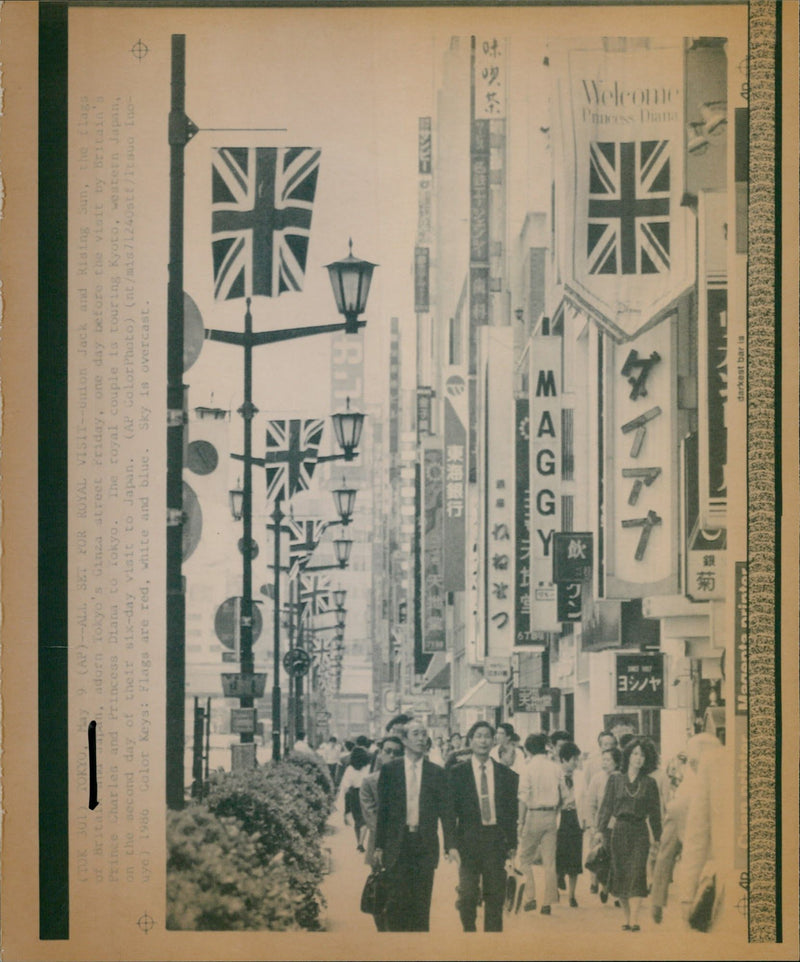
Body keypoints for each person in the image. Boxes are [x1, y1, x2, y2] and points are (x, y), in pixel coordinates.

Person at [374, 717, 456, 931]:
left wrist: (451, 845)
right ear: (404, 740)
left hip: (424, 845)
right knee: (396, 904)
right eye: (416, 734)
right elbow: (383, 811)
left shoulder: (436, 773)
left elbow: (446, 812)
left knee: (421, 905)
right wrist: (379, 846)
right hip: (397, 845)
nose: (421, 738)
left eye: (424, 734)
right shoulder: (390, 771)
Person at [447, 721, 519, 932]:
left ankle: (491, 945)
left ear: (493, 741)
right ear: (470, 741)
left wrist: (513, 843)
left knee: (495, 896)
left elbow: (511, 813)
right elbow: (450, 813)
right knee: (468, 895)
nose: (483, 740)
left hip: (495, 841)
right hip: (468, 841)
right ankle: (469, 932)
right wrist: (451, 844)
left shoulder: (506, 775)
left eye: (487, 736)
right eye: (478, 736)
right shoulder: (457, 773)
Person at [596, 736, 662, 932]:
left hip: (639, 833)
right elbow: (606, 808)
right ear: (628, 756)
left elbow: (655, 813)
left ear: (647, 759)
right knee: (621, 875)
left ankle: (634, 920)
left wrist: (658, 838)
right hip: (619, 832)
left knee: (636, 874)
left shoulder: (649, 783)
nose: (638, 758)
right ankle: (627, 918)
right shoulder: (615, 779)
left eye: (642, 755)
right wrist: (599, 831)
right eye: (634, 754)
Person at [517, 732, 561, 916]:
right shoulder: (555, 767)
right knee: (549, 862)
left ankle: (530, 896)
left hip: (533, 815)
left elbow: (523, 797)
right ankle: (547, 902)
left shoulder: (527, 768)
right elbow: (563, 795)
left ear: (527, 749)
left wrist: (520, 821)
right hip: (552, 816)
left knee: (524, 859)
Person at [586, 745, 622, 900]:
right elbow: (591, 803)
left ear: (616, 762)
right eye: (604, 759)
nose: (605, 763)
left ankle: (613, 890)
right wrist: (592, 825)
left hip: (619, 825)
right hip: (602, 825)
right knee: (603, 858)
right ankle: (604, 886)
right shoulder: (597, 778)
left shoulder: (622, 777)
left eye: (608, 760)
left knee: (618, 859)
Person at [556, 741, 586, 908]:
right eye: (573, 759)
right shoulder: (555, 775)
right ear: (564, 759)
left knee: (575, 857)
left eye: (577, 759)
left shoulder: (580, 776)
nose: (576, 763)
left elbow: (585, 798)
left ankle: (572, 896)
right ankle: (557, 882)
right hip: (560, 818)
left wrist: (586, 821)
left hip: (575, 818)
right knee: (559, 855)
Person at [338, 745, 371, 851]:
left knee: (357, 820)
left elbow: (345, 786)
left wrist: (342, 800)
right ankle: (361, 842)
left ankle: (359, 842)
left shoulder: (350, 769)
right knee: (365, 820)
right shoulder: (368, 767)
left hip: (354, 795)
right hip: (366, 793)